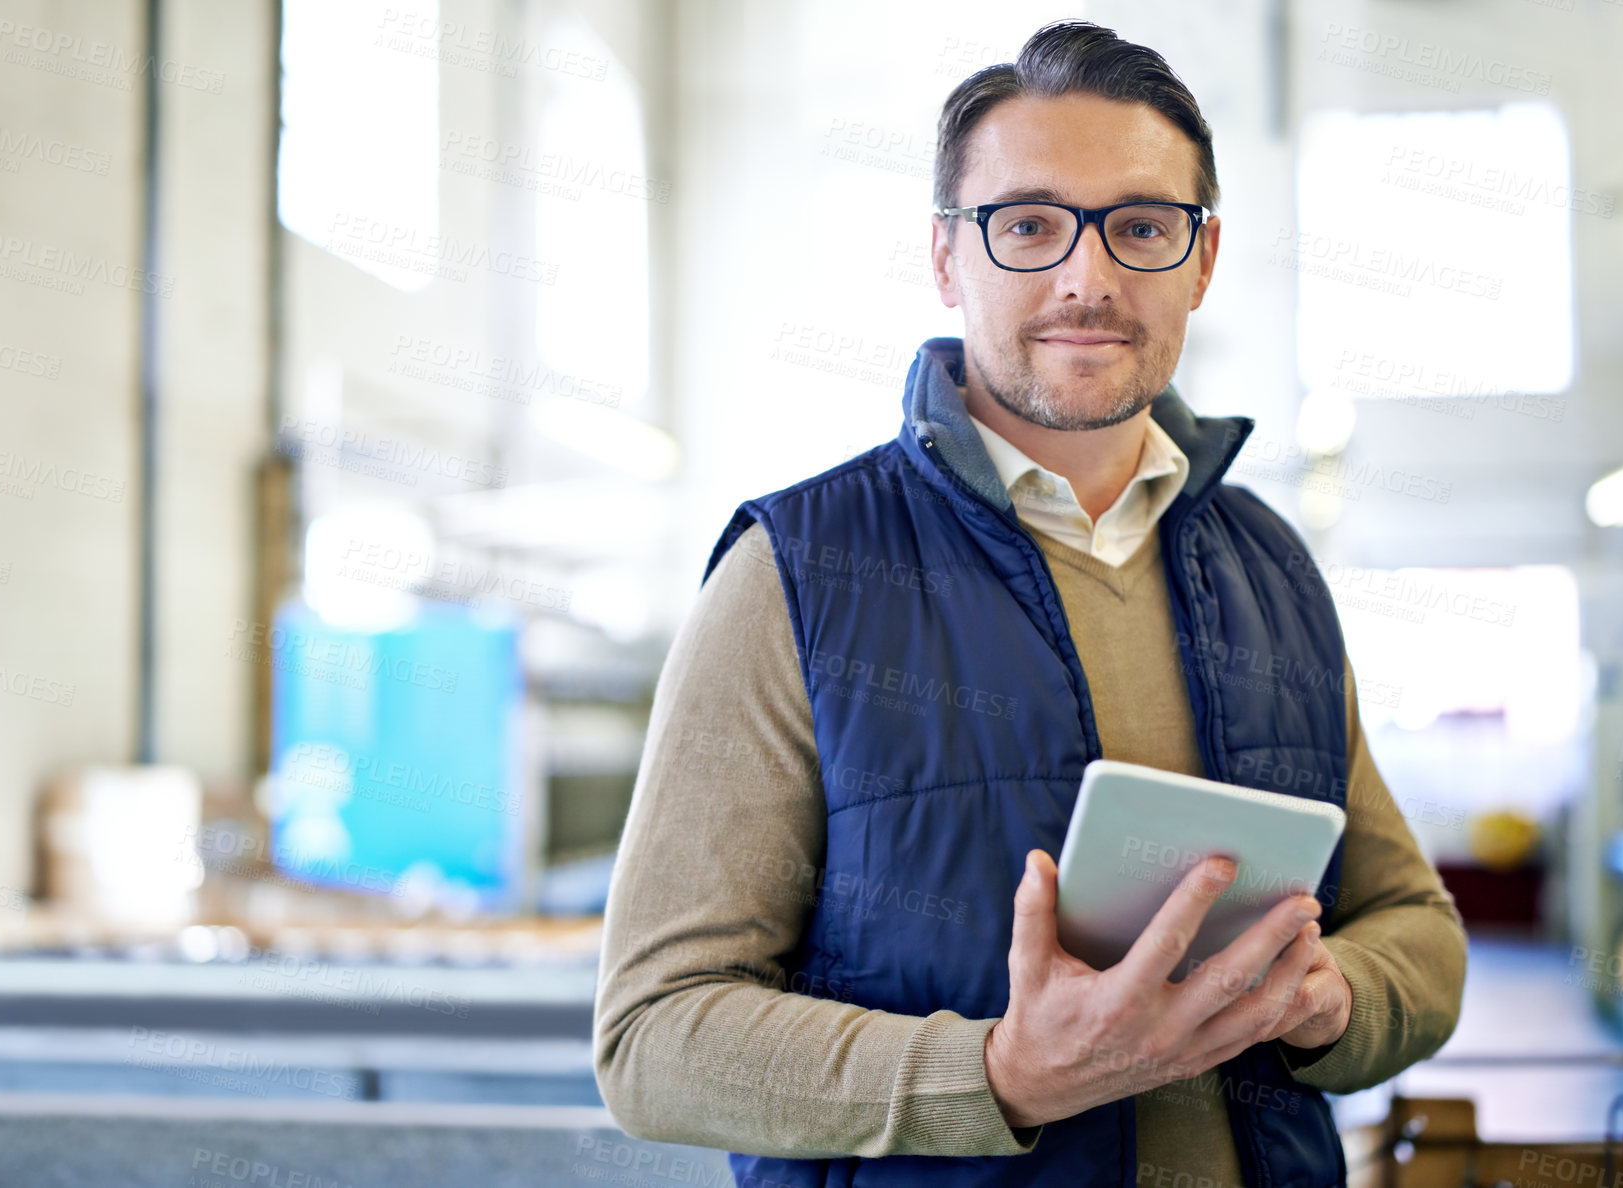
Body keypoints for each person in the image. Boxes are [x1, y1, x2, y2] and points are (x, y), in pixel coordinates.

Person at [594, 19, 1466, 1188]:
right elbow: (654, 1040)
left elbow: (1415, 928)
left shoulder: (1271, 567)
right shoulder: (795, 571)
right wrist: (997, 1075)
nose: (1086, 279)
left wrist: (1328, 998)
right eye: (1027, 225)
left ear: (1201, 262)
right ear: (948, 258)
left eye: (1142, 227)